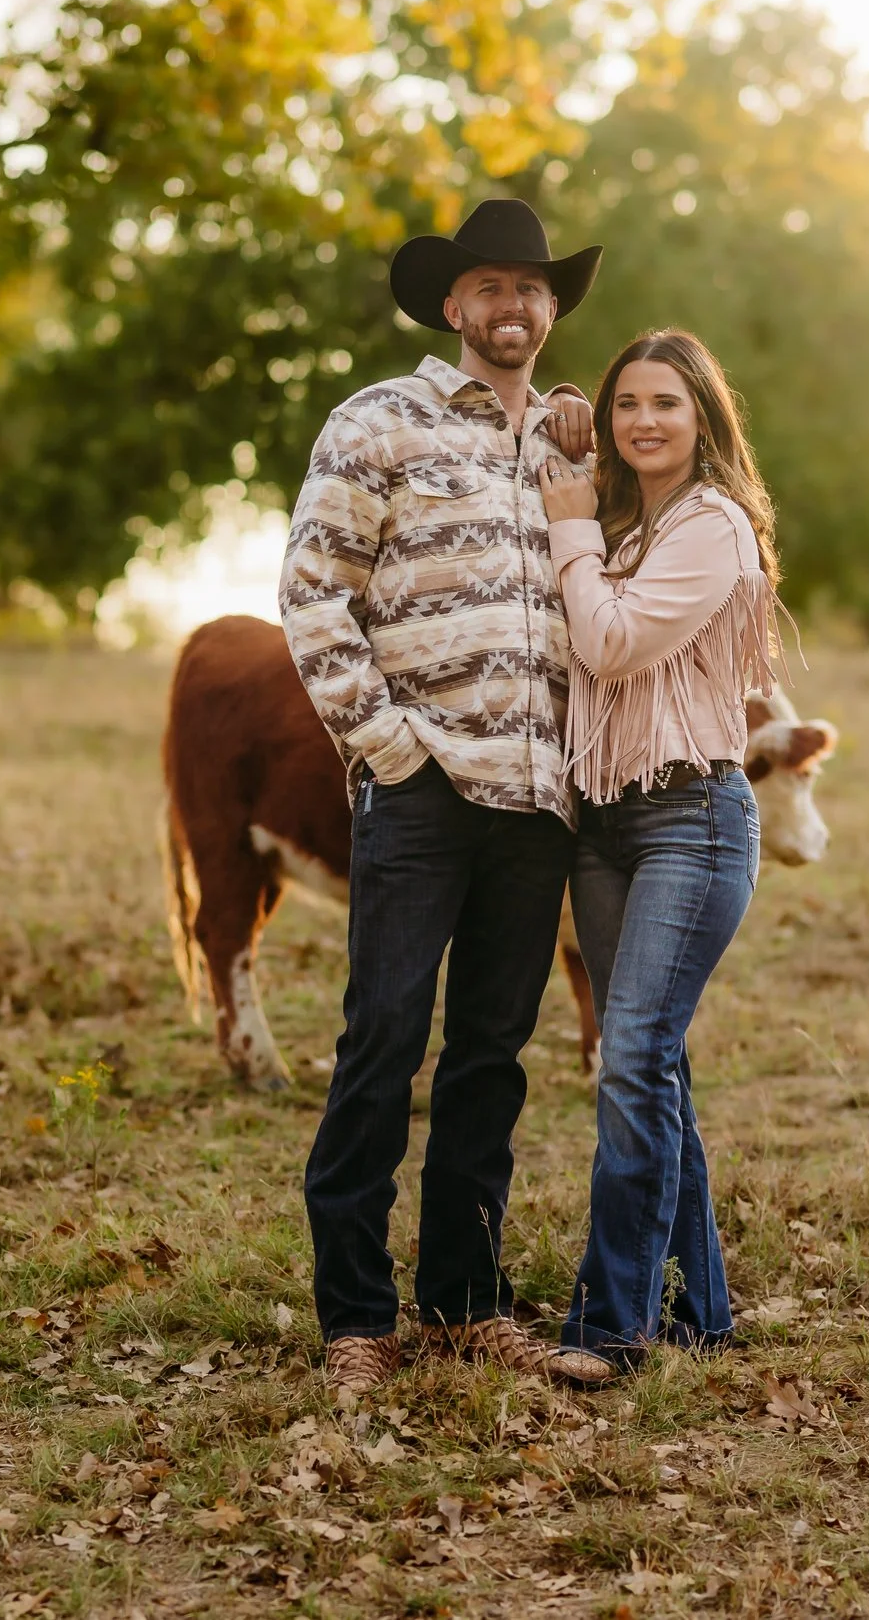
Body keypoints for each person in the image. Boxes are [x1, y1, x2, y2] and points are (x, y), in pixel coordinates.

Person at [279, 199, 610, 1398]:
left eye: (531, 289)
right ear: (451, 307)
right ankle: (355, 1315)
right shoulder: (382, 419)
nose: (511, 307)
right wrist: (388, 748)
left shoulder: (576, 446)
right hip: (424, 785)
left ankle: (465, 1304)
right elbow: (315, 594)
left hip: (538, 795)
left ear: (550, 307)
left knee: (490, 1054)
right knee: (382, 1038)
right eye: (488, 288)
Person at [535, 329, 781, 1372]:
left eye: (666, 403)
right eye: (626, 402)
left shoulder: (711, 524)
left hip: (692, 816)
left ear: (703, 419)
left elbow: (611, 640)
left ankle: (612, 1327)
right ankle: (700, 1309)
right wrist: (560, 437)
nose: (644, 419)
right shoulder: (625, 527)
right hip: (604, 823)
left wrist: (570, 530)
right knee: (655, 1066)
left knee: (629, 1057)